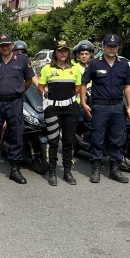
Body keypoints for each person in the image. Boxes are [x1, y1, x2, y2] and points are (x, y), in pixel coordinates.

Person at [0, 33, 35, 185]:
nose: (5, 47)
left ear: (12, 45)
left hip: (15, 102)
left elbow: (29, 80)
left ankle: (15, 169)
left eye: (7, 44)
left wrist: (17, 91)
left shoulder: (23, 60)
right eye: (1, 45)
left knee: (16, 135)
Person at [80, 34, 130, 184]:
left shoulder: (123, 64)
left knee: (117, 138)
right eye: (109, 46)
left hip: (117, 107)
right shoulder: (94, 64)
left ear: (118, 47)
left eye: (114, 46)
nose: (111, 48)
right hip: (100, 107)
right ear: (103, 47)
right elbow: (83, 84)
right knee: (97, 137)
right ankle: (96, 168)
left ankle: (115, 169)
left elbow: (128, 86)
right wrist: (84, 103)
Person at [39, 40, 81, 186]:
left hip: (70, 109)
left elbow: (77, 87)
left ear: (68, 52)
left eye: (65, 50)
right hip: (52, 109)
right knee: (53, 142)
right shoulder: (47, 69)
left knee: (69, 142)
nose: (63, 53)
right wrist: (48, 96)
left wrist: (67, 99)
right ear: (55, 53)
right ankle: (52, 172)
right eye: (60, 50)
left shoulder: (75, 68)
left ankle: (67, 172)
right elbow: (41, 87)